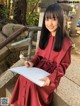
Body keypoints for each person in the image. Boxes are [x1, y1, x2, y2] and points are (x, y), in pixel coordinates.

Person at [10, 3, 72, 106]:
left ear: (60, 20)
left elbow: (62, 67)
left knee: (33, 84)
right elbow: (38, 56)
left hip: (52, 74)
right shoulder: (45, 37)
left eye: (53, 19)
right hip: (39, 68)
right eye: (47, 19)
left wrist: (50, 78)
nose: (50, 23)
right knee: (22, 78)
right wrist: (32, 62)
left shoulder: (66, 43)